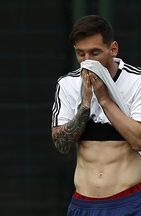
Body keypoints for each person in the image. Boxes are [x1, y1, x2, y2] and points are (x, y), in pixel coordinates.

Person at [51, 15, 141, 215]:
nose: (87, 61)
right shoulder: (67, 84)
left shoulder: (137, 81)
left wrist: (105, 99)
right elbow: (61, 145)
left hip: (130, 202)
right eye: (80, 54)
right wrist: (85, 102)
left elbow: (139, 140)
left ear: (113, 49)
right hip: (83, 204)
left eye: (95, 53)